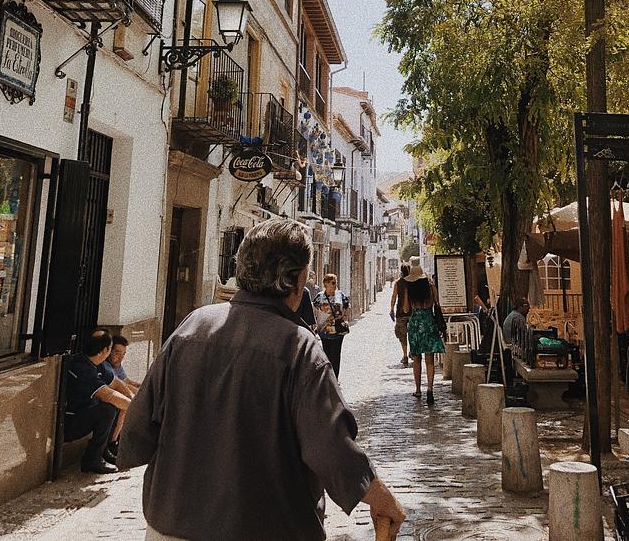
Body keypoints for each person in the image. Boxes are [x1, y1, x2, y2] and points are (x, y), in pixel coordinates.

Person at [118, 219, 404, 541]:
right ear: (297, 279)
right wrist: (381, 498)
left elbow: (139, 430)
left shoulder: (192, 327)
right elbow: (331, 449)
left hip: (170, 525)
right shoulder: (300, 348)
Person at [64, 329, 133, 474]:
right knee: (107, 409)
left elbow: (117, 384)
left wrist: (132, 401)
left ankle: (105, 449)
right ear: (105, 351)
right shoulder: (81, 367)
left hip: (86, 412)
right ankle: (92, 460)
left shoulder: (99, 363)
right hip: (69, 422)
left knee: (114, 407)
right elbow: (108, 395)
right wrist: (136, 408)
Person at [404, 258, 445, 405]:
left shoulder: (409, 289)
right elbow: (437, 302)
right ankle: (430, 389)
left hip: (415, 323)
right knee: (430, 358)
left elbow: (406, 309)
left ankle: (418, 389)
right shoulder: (430, 286)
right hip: (429, 321)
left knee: (416, 358)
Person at [314, 272, 350, 379]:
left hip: (338, 331)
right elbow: (314, 308)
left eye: (335, 283)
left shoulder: (340, 295)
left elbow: (347, 306)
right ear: (326, 284)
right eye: (333, 283)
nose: (335, 285)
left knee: (335, 355)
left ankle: (334, 378)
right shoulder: (320, 296)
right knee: (326, 355)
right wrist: (317, 321)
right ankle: (328, 378)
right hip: (324, 331)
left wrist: (344, 318)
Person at [389, 263, 411, 365]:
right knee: (412, 334)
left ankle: (405, 355)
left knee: (402, 335)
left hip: (400, 312)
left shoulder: (398, 283)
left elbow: (394, 296)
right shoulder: (413, 282)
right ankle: (412, 352)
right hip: (412, 312)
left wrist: (391, 309)